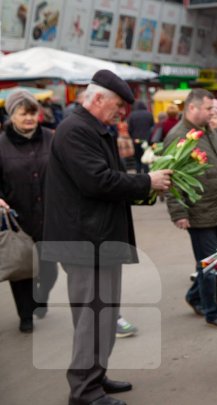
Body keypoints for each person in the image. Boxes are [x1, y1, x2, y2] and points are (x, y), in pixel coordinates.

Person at [42, 69, 172, 405]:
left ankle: (95, 377)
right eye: (117, 106)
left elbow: (106, 178)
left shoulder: (92, 128)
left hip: (96, 236)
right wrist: (147, 182)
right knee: (93, 316)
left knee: (103, 313)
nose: (121, 113)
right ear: (97, 99)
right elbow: (97, 181)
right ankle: (85, 390)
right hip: (85, 240)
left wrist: (143, 187)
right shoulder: (76, 131)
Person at [164, 88, 217, 329]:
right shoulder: (178, 135)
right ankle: (214, 311)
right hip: (200, 211)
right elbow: (171, 176)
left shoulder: (206, 130)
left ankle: (195, 296)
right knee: (212, 265)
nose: (211, 112)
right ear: (192, 108)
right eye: (207, 108)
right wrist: (179, 212)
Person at [0, 89, 58, 332]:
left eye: (33, 114)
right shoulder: (1, 144)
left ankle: (41, 297)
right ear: (12, 115)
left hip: (50, 214)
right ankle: (25, 315)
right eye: (24, 114)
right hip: (17, 216)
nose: (29, 119)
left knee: (49, 267)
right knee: (23, 268)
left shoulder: (51, 138)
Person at [126, 101, 155, 173]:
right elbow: (152, 127)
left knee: (137, 159)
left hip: (136, 139)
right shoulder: (149, 114)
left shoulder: (132, 115)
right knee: (146, 157)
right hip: (147, 139)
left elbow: (129, 128)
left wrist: (132, 137)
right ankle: (146, 173)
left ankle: (138, 173)